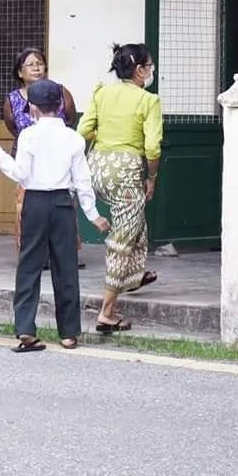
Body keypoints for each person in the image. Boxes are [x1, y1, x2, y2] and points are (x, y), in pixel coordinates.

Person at [0, 79, 109, 352]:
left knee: (29, 267)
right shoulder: (74, 138)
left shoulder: (28, 135)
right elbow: (82, 180)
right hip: (63, 204)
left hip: (34, 203)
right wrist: (93, 214)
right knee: (66, 269)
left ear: (33, 109)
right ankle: (69, 333)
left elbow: (20, 174)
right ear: (60, 105)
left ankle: (25, 328)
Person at [77, 43, 162, 334]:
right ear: (139, 70)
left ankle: (134, 276)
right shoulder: (147, 101)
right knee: (121, 242)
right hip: (126, 175)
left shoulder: (102, 93)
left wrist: (106, 136)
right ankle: (107, 313)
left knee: (135, 221)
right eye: (149, 67)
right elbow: (152, 147)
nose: (150, 71)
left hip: (98, 170)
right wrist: (151, 177)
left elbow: (83, 131)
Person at [1, 49, 84, 268]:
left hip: (58, 159)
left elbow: (70, 117)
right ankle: (33, 256)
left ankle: (64, 255)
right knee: (26, 207)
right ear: (20, 72)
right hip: (27, 160)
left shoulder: (59, 91)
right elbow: (12, 126)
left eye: (40, 63)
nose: (37, 67)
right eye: (30, 64)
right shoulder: (13, 99)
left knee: (63, 205)